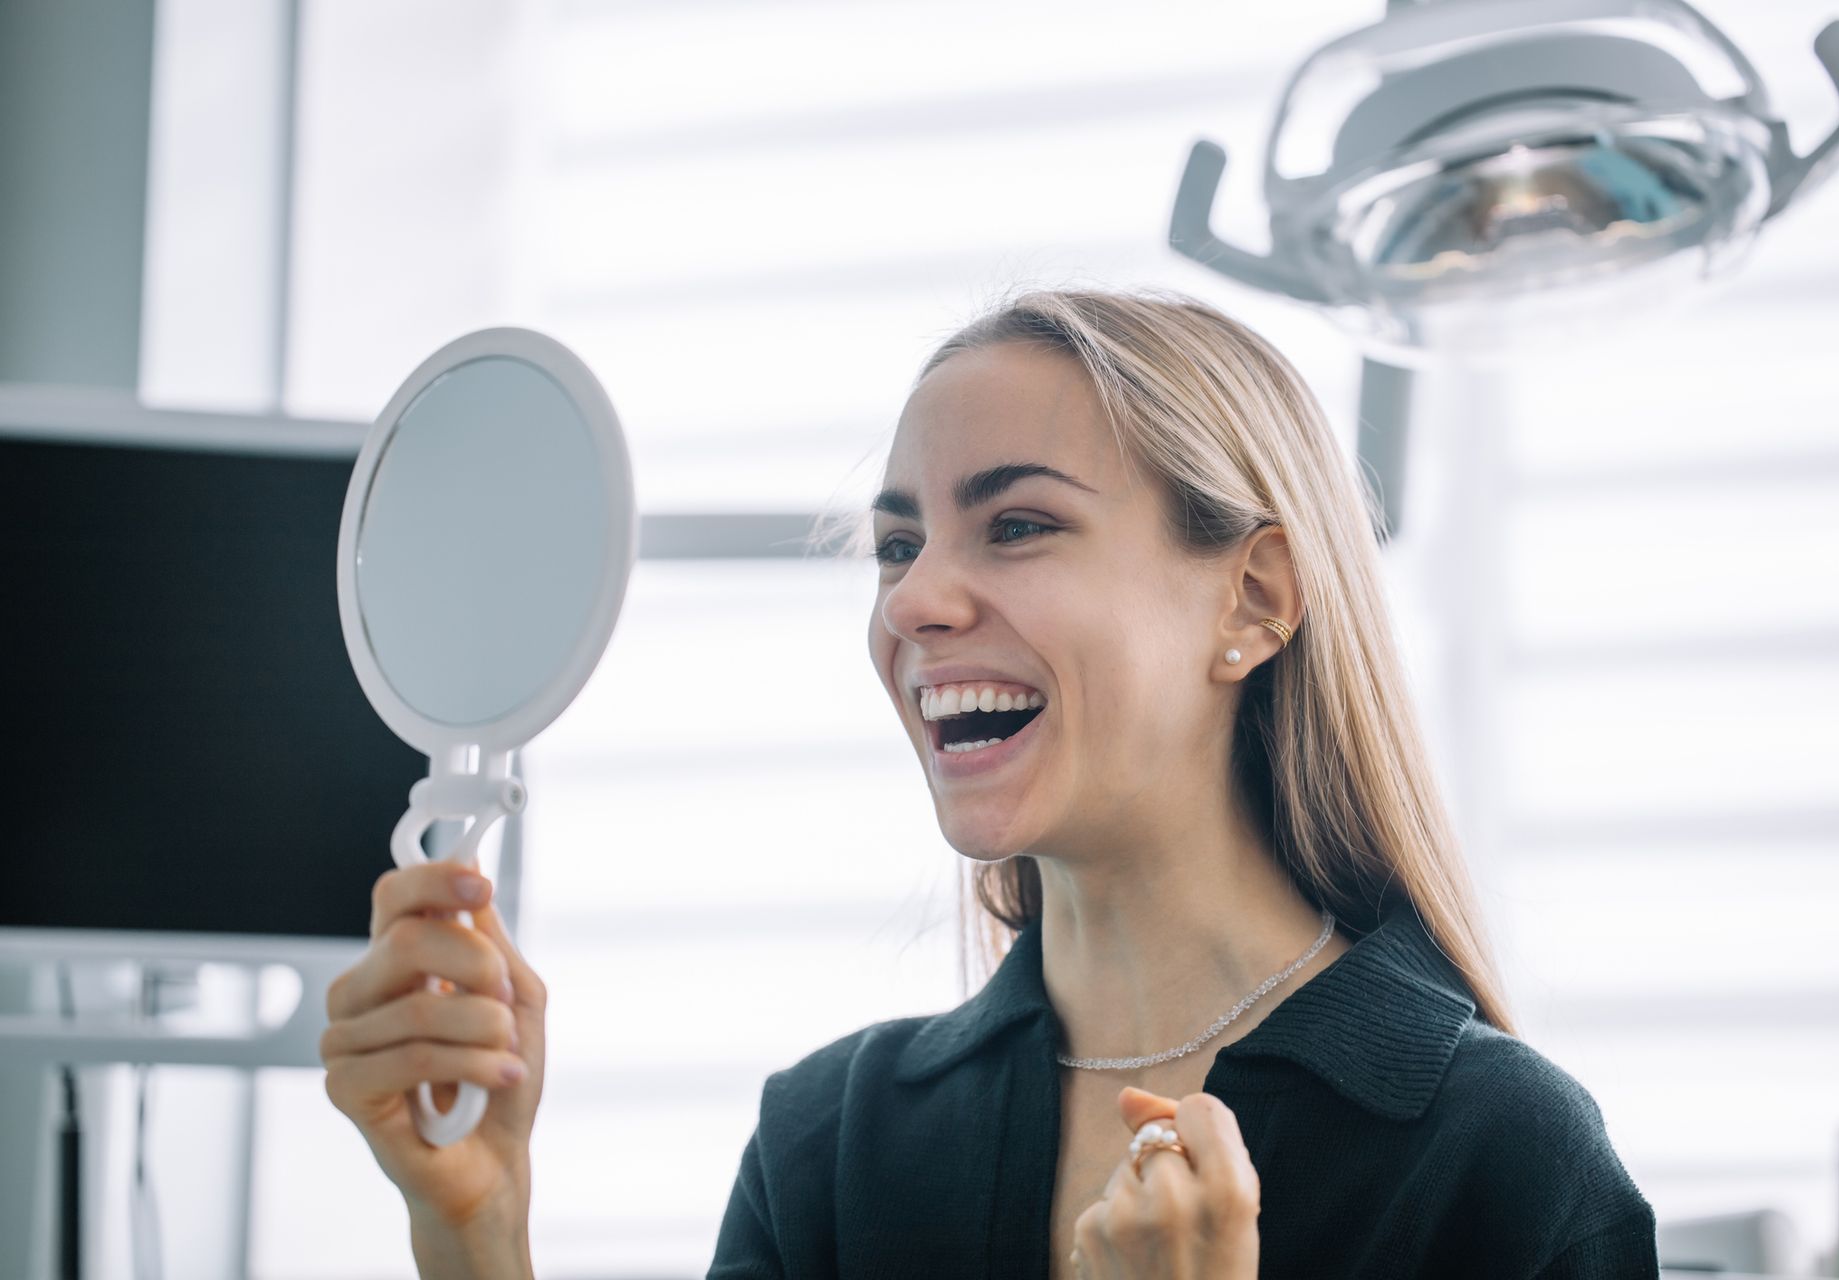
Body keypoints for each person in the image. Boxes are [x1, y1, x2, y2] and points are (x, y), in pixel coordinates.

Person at [321, 287, 1660, 1279]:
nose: (916, 598)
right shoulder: (835, 1146)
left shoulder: (1503, 1164)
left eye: (1017, 525)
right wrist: (475, 1229)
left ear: (1252, 597)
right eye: (896, 544)